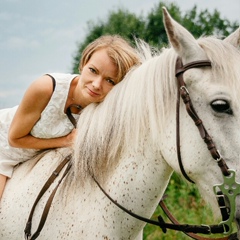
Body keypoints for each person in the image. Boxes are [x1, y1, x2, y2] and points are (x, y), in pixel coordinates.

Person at [0, 35, 141, 199]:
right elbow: (14, 139)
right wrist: (65, 141)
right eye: (93, 71)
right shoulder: (46, 88)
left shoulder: (105, 108)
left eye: (110, 80)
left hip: (34, 161)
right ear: (83, 64)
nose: (96, 84)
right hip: (4, 147)